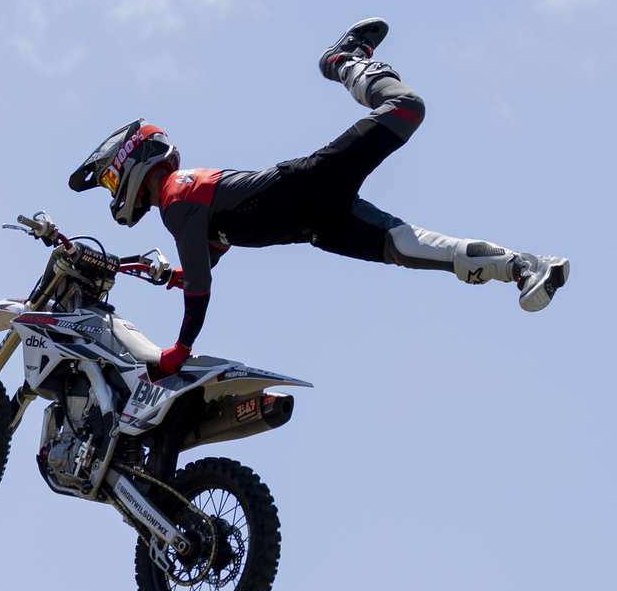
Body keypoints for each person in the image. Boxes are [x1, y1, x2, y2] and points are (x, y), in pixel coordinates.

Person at [69, 18, 569, 376]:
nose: (115, 193)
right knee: (409, 248)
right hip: (318, 224)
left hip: (312, 185)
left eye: (111, 180)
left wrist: (182, 346)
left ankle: (344, 60)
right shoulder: (184, 211)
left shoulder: (177, 198)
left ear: (131, 163)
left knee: (406, 108)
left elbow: (201, 280)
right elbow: (216, 245)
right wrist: (176, 274)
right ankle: (524, 267)